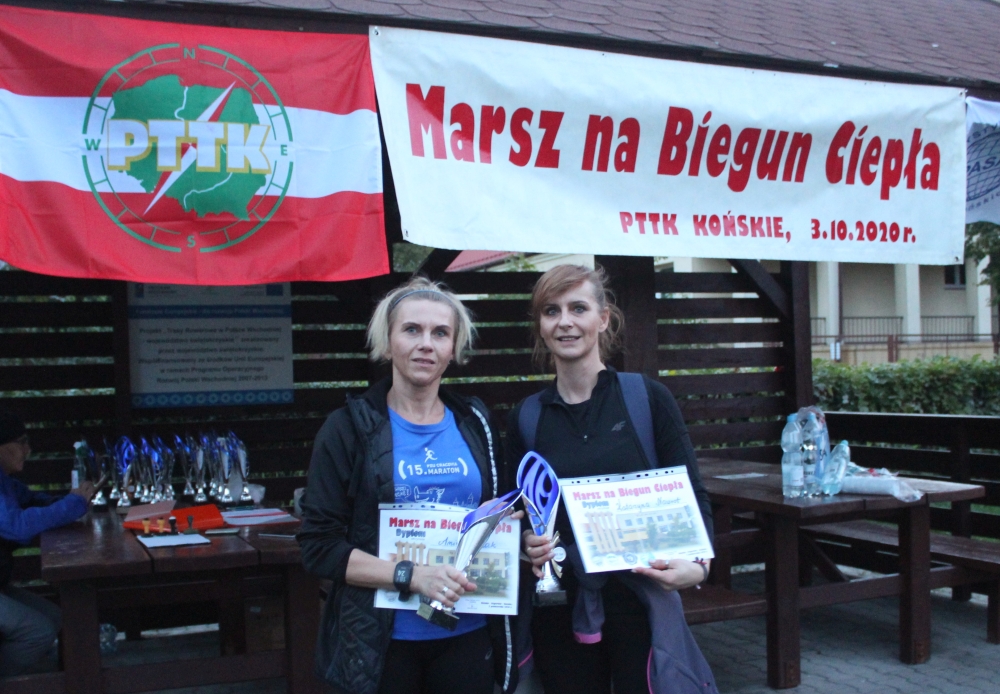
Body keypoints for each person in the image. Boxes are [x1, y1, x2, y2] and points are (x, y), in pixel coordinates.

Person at [297, 277, 518, 694]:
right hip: (381, 643)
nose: (426, 344)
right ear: (388, 342)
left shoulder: (476, 423)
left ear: (453, 349)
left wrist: (522, 542)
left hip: (468, 633)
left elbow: (496, 516)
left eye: (440, 333)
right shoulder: (347, 429)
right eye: (412, 329)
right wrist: (412, 576)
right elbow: (319, 547)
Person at [507, 265, 718, 694]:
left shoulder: (647, 398)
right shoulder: (526, 417)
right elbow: (515, 513)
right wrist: (525, 542)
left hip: (640, 600)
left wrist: (699, 565)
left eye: (578, 308)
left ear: (603, 319)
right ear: (541, 326)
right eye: (551, 311)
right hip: (559, 605)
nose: (565, 322)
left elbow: (691, 491)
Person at [0, 410, 95, 677]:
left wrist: (72, 501)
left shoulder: (5, 481)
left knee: (55, 617)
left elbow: (34, 501)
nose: (28, 450)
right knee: (37, 632)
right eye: (22, 442)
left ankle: (70, 680)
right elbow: (15, 526)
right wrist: (73, 504)